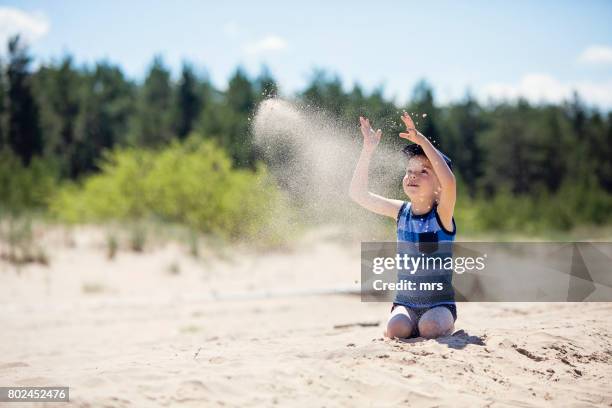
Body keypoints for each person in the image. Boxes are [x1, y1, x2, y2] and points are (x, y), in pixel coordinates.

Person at [349, 112, 457, 339]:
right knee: (396, 329)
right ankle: (407, 321)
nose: (412, 176)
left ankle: (445, 324)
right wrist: (367, 150)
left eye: (423, 172)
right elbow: (358, 194)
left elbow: (449, 182)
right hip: (405, 302)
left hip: (440, 305)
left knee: (430, 327)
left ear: (438, 186)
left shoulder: (442, 215)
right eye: (409, 171)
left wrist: (422, 141)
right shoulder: (401, 212)